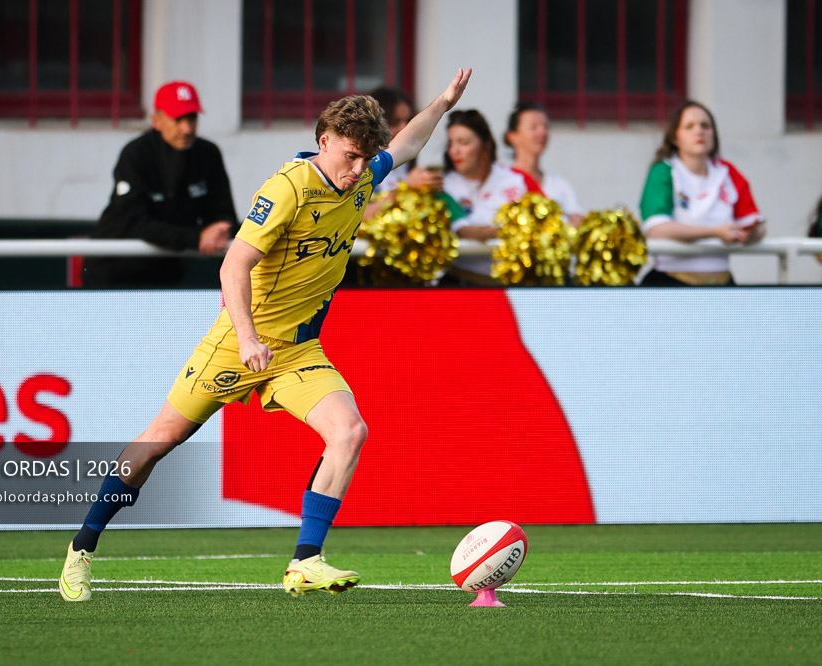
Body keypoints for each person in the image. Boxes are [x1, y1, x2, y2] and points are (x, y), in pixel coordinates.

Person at [59, 68, 473, 601]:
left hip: (298, 348)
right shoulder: (287, 189)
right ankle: (81, 548)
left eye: (365, 158)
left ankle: (306, 561)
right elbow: (233, 267)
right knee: (157, 443)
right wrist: (249, 338)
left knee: (349, 432)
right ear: (323, 141)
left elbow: (408, 143)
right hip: (240, 342)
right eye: (349, 156)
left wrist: (442, 101)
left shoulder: (365, 172)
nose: (357, 170)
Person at [81, 81, 238, 287]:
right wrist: (195, 238)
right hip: (114, 273)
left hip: (165, 274)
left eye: (191, 118)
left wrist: (221, 230)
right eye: (178, 119)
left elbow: (222, 212)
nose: (187, 128)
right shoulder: (136, 154)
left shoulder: (208, 154)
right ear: (157, 120)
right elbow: (133, 221)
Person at [639, 100, 765, 286]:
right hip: (671, 282)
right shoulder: (664, 171)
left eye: (705, 126)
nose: (699, 132)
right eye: (689, 126)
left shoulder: (727, 172)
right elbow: (656, 229)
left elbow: (755, 224)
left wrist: (751, 235)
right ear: (675, 137)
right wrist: (714, 232)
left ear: (713, 134)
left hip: (722, 282)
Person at [441, 108, 543, 284]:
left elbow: (548, 221)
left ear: (486, 145)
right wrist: (512, 230)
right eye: (451, 143)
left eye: (464, 142)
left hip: (513, 285)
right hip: (461, 284)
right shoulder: (443, 186)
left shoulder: (517, 180)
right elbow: (463, 231)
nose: (454, 151)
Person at [504, 102, 584, 226]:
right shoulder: (502, 182)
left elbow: (578, 221)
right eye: (533, 127)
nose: (542, 132)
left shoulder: (560, 185)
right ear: (512, 136)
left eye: (546, 126)